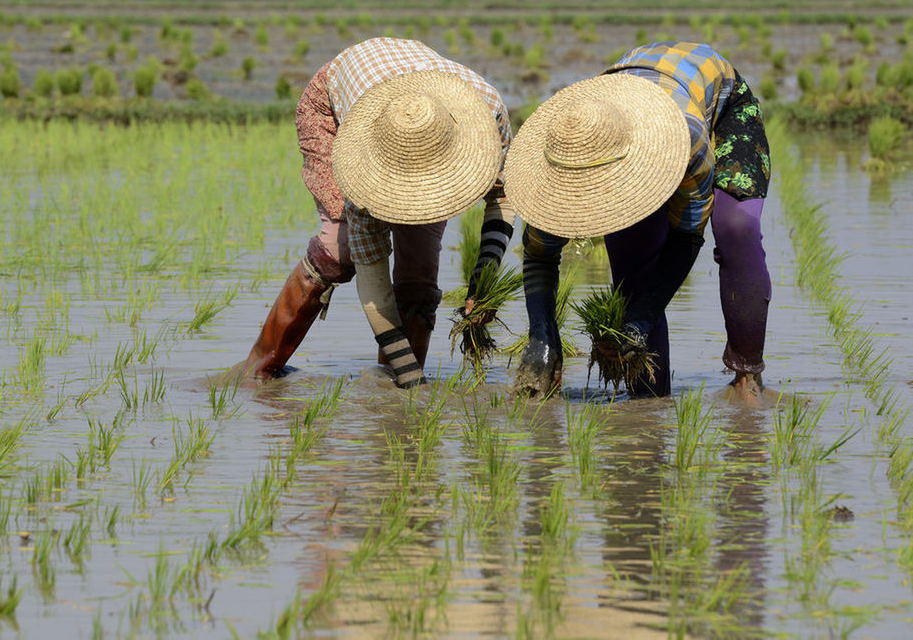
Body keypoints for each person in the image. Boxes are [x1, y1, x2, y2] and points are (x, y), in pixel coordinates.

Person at [238, 37, 515, 389]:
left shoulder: (487, 112)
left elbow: (503, 196)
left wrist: (483, 280)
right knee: (339, 251)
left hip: (421, 106)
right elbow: (375, 289)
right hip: (338, 102)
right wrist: (414, 381)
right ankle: (258, 372)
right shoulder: (363, 169)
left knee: (419, 269)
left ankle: (394, 383)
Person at [504, 42, 771, 402]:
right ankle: (648, 401)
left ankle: (747, 378)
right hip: (622, 106)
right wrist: (542, 336)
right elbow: (539, 254)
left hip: (713, 103)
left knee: (737, 228)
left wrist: (642, 319)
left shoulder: (687, 136)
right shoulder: (556, 165)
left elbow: (687, 237)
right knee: (633, 263)